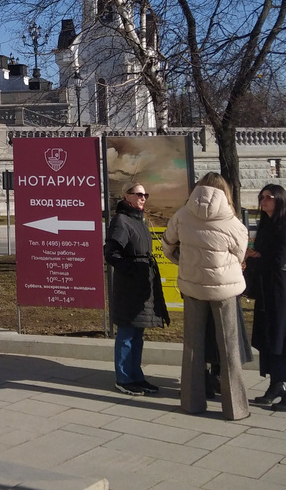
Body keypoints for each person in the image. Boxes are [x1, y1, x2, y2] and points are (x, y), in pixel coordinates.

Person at [163, 172, 249, 420]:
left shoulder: (182, 215)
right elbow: (241, 254)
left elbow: (167, 244)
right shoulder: (232, 222)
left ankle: (191, 402)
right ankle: (235, 409)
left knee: (192, 346)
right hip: (224, 289)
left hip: (192, 287)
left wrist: (183, 262)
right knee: (229, 347)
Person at [104, 182, 170, 396]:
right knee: (126, 331)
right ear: (127, 196)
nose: (143, 198)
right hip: (129, 286)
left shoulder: (139, 219)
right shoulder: (121, 220)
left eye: (145, 195)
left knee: (138, 332)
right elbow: (111, 253)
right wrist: (132, 268)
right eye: (139, 194)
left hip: (143, 283)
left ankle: (136, 376)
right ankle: (123, 378)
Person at [247, 185, 286, 411]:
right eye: (261, 197)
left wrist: (255, 257)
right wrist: (255, 256)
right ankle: (275, 384)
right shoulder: (266, 225)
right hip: (265, 288)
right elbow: (264, 256)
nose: (263, 201)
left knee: (285, 337)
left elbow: (280, 261)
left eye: (269, 198)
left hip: (281, 289)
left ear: (279, 200)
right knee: (268, 337)